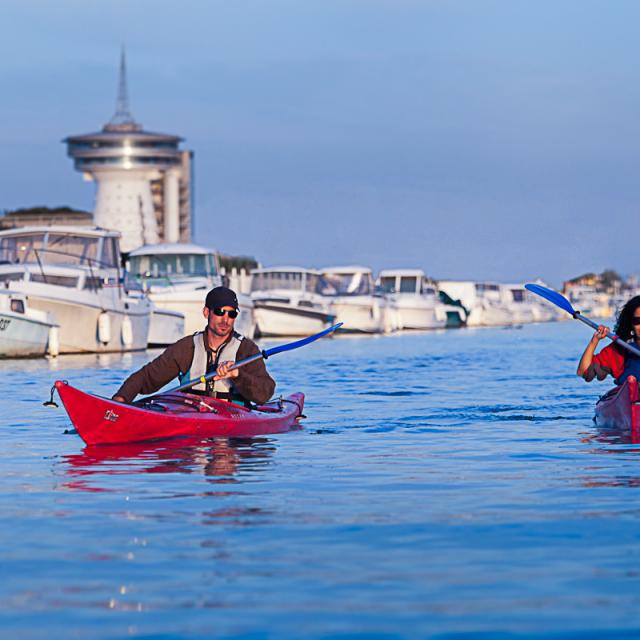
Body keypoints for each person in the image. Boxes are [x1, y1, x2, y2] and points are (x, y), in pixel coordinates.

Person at [112, 286, 275, 405]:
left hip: (234, 428)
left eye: (231, 314)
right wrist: (121, 399)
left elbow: (265, 393)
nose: (225, 320)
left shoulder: (246, 350)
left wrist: (238, 374)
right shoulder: (186, 348)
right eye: (219, 312)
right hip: (192, 416)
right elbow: (147, 377)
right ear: (206, 313)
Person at [577, 295, 640, 384]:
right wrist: (595, 340)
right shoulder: (619, 350)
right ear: (630, 324)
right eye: (637, 321)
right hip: (631, 393)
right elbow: (583, 371)